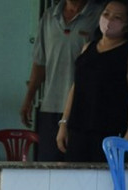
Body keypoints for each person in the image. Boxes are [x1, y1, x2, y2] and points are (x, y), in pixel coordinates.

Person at [56, 0, 128, 162]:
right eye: (106, 14)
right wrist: (64, 123)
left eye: (117, 17)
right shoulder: (88, 47)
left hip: (109, 131)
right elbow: (76, 88)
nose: (109, 20)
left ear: (127, 25)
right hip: (78, 128)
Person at [20, 0, 102, 162]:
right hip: (51, 105)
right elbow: (40, 62)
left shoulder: (98, 15)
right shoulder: (50, 16)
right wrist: (29, 98)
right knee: (48, 165)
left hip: (83, 108)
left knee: (78, 166)